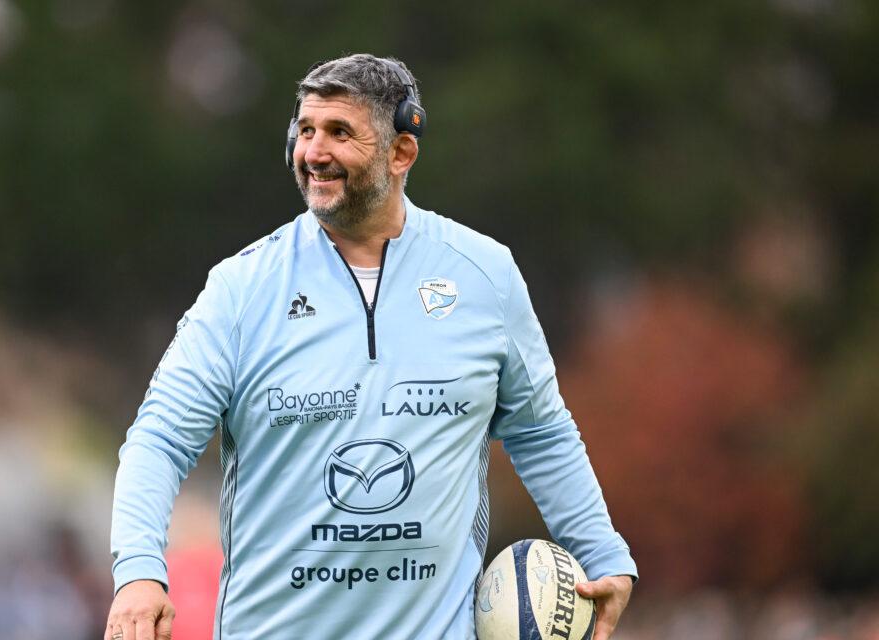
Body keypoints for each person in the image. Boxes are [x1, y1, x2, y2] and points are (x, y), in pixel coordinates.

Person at [106, 53, 636, 640]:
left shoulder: (486, 275)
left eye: (340, 132)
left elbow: (541, 432)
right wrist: (138, 570)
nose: (313, 151)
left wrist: (602, 552)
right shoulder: (241, 289)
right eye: (306, 130)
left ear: (401, 152)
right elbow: (159, 438)